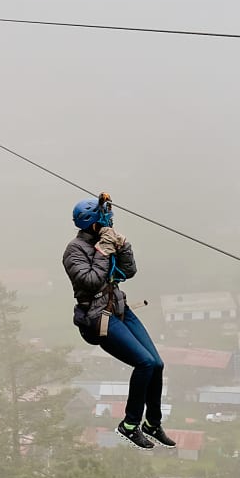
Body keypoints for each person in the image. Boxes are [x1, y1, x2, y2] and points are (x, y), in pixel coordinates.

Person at [64, 192, 172, 448]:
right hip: (97, 317)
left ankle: (152, 424)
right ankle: (130, 424)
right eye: (105, 218)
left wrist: (123, 247)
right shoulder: (74, 251)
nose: (110, 221)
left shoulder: (105, 240)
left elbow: (129, 271)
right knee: (144, 363)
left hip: (119, 307)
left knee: (157, 364)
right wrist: (103, 251)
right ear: (93, 224)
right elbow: (90, 281)